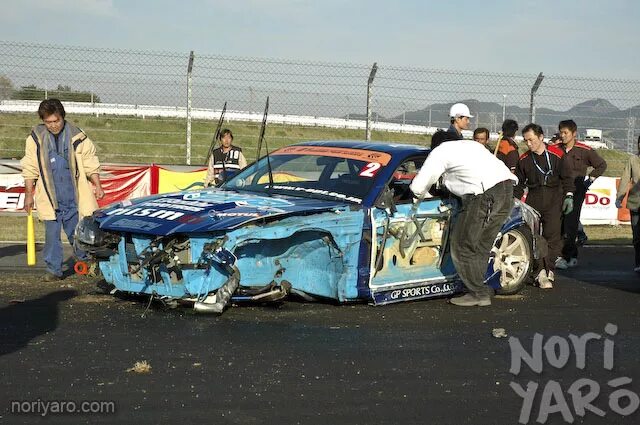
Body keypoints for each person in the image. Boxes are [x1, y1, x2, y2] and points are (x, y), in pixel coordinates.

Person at [410, 139, 517, 307]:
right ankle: (480, 288)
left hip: (483, 195)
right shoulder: (471, 145)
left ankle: (478, 293)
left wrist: (424, 195)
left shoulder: (439, 152)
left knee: (462, 246)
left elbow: (417, 187)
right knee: (481, 245)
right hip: (507, 189)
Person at [21, 99, 104, 281]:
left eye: (56, 121)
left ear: (63, 117)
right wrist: (29, 195)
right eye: (48, 122)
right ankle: (53, 270)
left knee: (78, 233)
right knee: (51, 236)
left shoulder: (77, 136)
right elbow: (30, 167)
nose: (52, 125)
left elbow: (91, 162)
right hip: (49, 197)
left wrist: (97, 184)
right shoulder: (35, 138)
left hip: (73, 197)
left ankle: (87, 263)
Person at [514, 124, 575, 289]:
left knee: (552, 237)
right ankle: (540, 271)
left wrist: (569, 196)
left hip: (554, 197)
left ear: (541, 137)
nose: (529, 144)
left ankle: (548, 268)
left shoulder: (557, 155)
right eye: (526, 141)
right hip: (534, 198)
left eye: (531, 140)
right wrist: (514, 201)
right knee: (535, 237)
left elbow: (568, 177)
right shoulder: (524, 159)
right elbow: (518, 184)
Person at [555, 119, 607, 269]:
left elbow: (601, 165)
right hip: (559, 190)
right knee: (558, 223)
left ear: (574, 134)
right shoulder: (556, 149)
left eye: (566, 133)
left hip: (576, 191)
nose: (563, 135)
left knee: (570, 223)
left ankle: (569, 255)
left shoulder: (584, 150)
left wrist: (588, 181)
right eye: (561, 132)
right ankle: (561, 254)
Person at [615, 135, 640, 272]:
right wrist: (619, 197)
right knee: (637, 235)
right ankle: (638, 262)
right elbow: (625, 178)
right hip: (635, 202)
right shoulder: (633, 160)